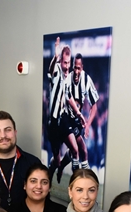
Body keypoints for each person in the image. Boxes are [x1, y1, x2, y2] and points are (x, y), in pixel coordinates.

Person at [46, 37, 80, 181]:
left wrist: (78, 112)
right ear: (61, 62)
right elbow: (51, 69)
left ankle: (76, 183)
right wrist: (55, 57)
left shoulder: (68, 76)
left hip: (63, 119)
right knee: (57, 160)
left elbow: (68, 96)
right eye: (64, 62)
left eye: (68, 62)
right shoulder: (57, 71)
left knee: (75, 150)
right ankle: (52, 170)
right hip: (53, 123)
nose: (67, 66)